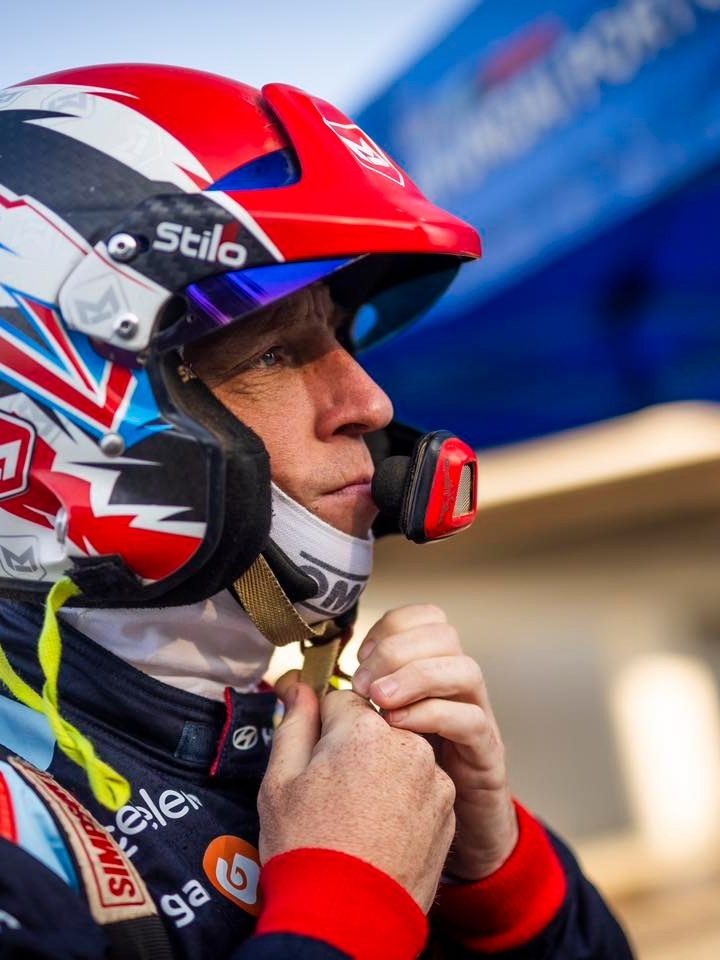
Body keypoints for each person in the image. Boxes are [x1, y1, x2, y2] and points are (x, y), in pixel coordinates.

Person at [0, 63, 633, 959]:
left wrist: (499, 883)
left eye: (336, 336)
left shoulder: (279, 734)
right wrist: (347, 911)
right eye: (271, 353)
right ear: (59, 407)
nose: (371, 401)